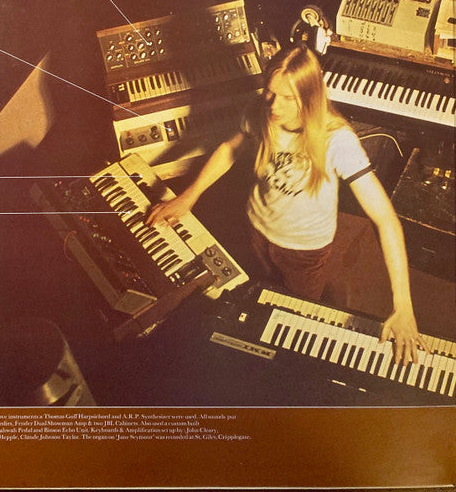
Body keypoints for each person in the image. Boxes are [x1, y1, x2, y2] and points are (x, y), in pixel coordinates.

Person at [146, 43, 429, 365]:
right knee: (249, 298)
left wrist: (403, 306)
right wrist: (189, 196)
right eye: (270, 92)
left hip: (304, 252)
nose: (273, 105)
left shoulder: (337, 140)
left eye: (287, 98)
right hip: (256, 229)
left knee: (292, 319)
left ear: (309, 97)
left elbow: (386, 220)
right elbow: (229, 148)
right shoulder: (261, 109)